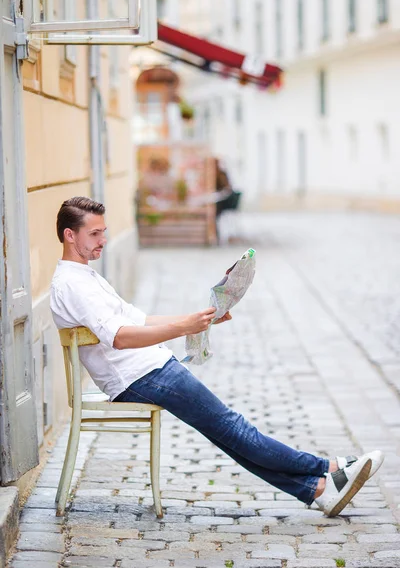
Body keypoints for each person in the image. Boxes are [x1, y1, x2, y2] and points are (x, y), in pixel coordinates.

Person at [50, 196, 384, 518]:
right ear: (70, 235)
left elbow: (138, 320)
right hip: (139, 378)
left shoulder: (85, 277)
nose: (103, 240)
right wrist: (184, 327)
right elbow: (121, 338)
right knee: (233, 428)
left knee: (228, 433)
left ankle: (318, 490)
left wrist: (199, 319)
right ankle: (329, 468)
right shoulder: (73, 285)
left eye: (103, 231)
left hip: (148, 370)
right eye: (95, 233)